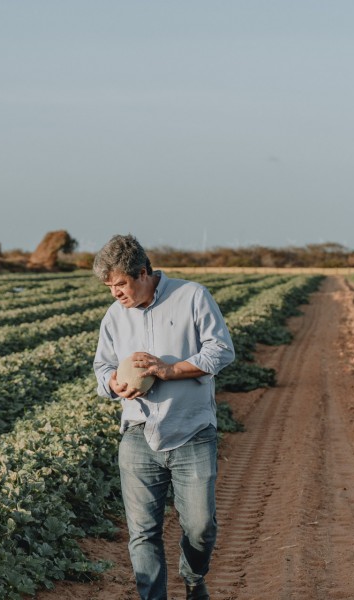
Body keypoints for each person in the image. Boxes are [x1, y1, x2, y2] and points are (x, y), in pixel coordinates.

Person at [92, 234, 235, 600]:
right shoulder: (114, 316)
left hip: (192, 430)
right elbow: (102, 367)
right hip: (138, 433)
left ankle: (194, 578)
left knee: (200, 527)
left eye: (121, 284)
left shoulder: (192, 297)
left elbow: (221, 350)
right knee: (143, 533)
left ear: (143, 272)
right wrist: (113, 382)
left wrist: (170, 370)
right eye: (110, 287)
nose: (116, 294)